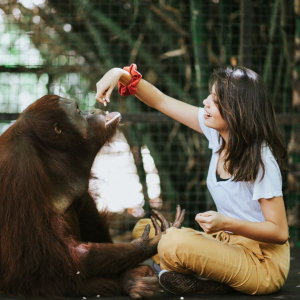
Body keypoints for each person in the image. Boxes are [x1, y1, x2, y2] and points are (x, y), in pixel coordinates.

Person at [95, 65, 290, 296]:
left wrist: (225, 223)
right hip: (227, 246)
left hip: (261, 263)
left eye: (215, 100)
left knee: (172, 243)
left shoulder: (261, 159)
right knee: (145, 230)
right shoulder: (218, 135)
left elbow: (279, 232)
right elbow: (160, 101)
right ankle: (208, 280)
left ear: (237, 111)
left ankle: (188, 273)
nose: (206, 102)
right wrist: (119, 73)